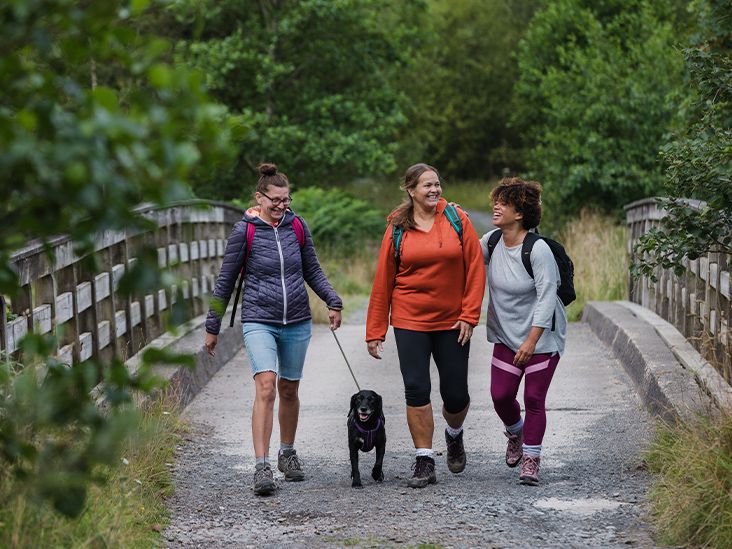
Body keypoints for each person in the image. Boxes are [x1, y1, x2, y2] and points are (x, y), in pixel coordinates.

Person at [204, 163, 343, 496]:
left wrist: (332, 299)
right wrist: (213, 326)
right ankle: (261, 465)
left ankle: (287, 452)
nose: (282, 205)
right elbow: (224, 282)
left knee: (289, 390)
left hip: (296, 319)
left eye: (286, 198)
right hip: (259, 319)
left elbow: (312, 269)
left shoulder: (297, 226)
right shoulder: (245, 231)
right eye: (276, 199)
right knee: (266, 386)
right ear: (259, 197)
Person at [366, 163, 485, 488]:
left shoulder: (457, 219)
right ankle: (424, 459)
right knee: (416, 388)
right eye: (426, 186)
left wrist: (469, 314)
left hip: (452, 322)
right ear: (411, 190)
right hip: (410, 319)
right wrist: (375, 330)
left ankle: (454, 434)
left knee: (456, 394)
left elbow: (475, 268)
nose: (434, 190)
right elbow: (383, 280)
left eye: (436, 184)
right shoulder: (398, 227)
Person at [479, 177, 567, 485]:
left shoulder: (538, 250)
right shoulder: (491, 242)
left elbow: (547, 296)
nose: (496, 205)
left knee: (533, 397)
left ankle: (531, 458)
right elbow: (464, 259)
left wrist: (532, 341)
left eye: (504, 201)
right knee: (501, 396)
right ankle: (515, 432)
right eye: (497, 199)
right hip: (506, 334)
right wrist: (451, 219)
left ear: (520, 213)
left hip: (543, 336)